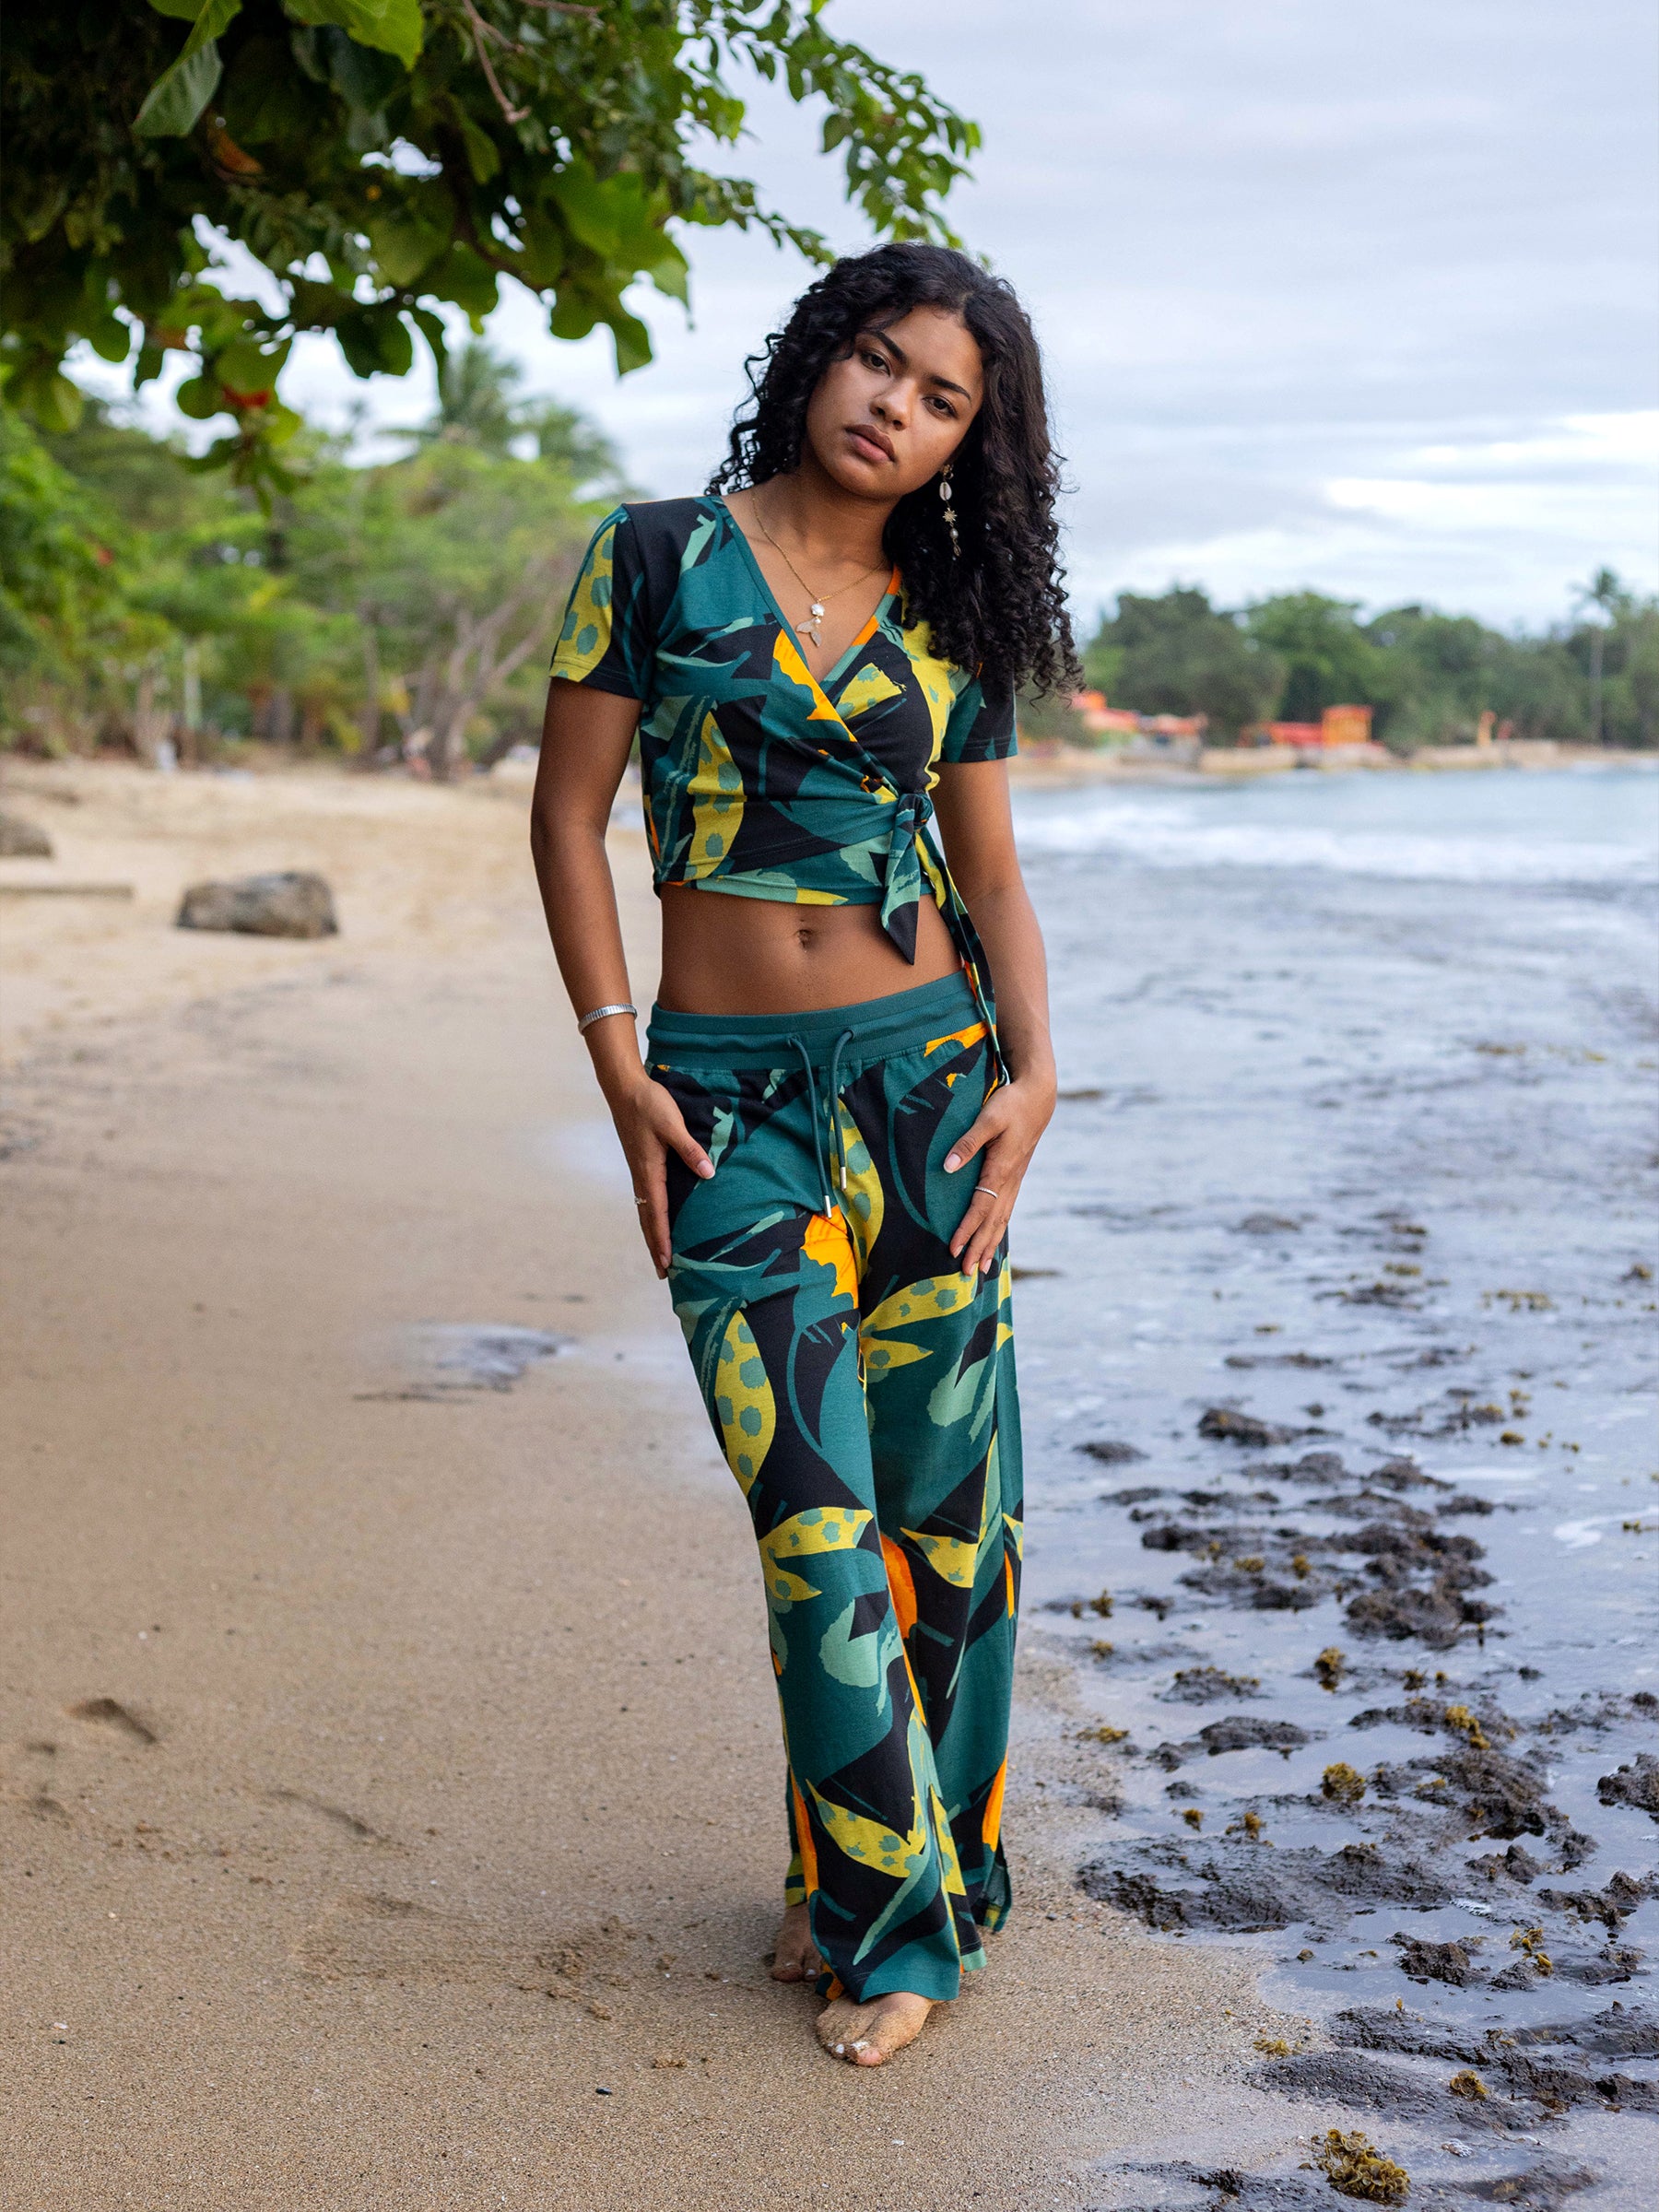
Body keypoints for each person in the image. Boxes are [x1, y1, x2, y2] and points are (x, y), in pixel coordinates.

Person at [530, 241, 1077, 2067]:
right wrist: (618, 1063)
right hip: (726, 1101)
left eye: (942, 401)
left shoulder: (952, 606)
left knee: (945, 1527)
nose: (894, 409)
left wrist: (1040, 1074)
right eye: (879, 363)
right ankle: (899, 1936)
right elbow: (570, 811)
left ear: (965, 450)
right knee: (813, 1521)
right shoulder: (656, 556)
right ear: (816, 355)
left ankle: (882, 1882)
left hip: (935, 1088)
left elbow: (988, 870)